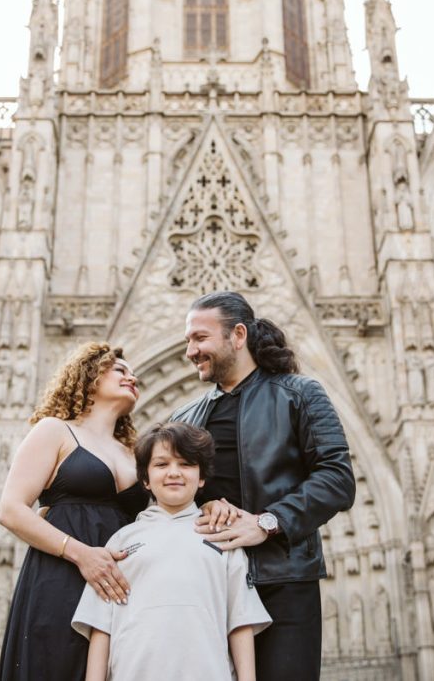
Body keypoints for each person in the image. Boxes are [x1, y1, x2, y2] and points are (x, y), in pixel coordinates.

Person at [172, 291, 357, 680]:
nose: (190, 351)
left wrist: (267, 522)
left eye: (199, 338)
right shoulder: (186, 417)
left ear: (237, 335)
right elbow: (171, 491)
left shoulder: (300, 394)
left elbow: (337, 478)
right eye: (188, 340)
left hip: (283, 581)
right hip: (208, 584)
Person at [0, 342, 150, 681]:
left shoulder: (133, 453)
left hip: (118, 583)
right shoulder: (55, 430)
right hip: (63, 575)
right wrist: (82, 555)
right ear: (90, 375)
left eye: (134, 373)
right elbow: (10, 510)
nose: (132, 377)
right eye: (120, 370)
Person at [72, 422, 271, 681]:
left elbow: (241, 621)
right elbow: (101, 627)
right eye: (162, 464)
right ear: (145, 479)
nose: (174, 472)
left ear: (201, 478)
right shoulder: (121, 540)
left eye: (186, 464)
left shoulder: (222, 537)